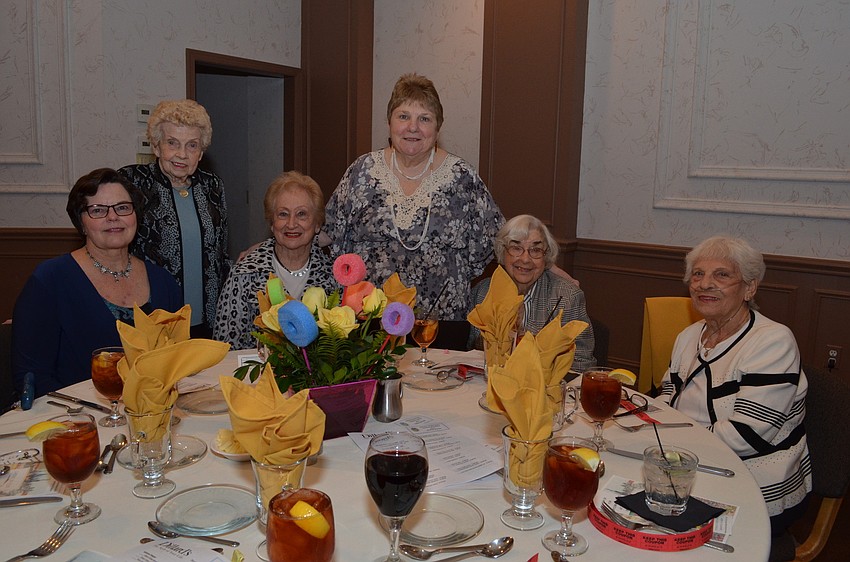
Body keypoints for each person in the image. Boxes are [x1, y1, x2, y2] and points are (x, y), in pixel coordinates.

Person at [658, 235, 811, 536]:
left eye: (722, 275)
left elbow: (747, 434)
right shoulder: (689, 336)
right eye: (698, 274)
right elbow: (668, 395)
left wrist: (669, 446)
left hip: (753, 482)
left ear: (749, 288)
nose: (704, 284)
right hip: (686, 467)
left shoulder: (773, 342)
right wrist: (650, 426)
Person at [323, 73, 504, 320]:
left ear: (438, 127)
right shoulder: (361, 171)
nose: (413, 127)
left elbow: (501, 239)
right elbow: (328, 233)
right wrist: (270, 247)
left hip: (441, 324)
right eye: (404, 116)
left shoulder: (462, 177)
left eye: (424, 119)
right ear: (389, 121)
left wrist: (549, 265)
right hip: (369, 324)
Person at [12, 168, 183, 397]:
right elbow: (31, 375)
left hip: (152, 414)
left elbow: (177, 362)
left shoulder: (163, 282)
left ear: (135, 216)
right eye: (98, 210)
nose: (113, 217)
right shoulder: (50, 281)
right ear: (81, 222)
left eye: (123, 208)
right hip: (78, 418)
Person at [119, 99, 228, 338]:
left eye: (192, 145)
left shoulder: (212, 186)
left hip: (206, 317)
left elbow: (220, 252)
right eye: (172, 143)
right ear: (156, 146)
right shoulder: (131, 182)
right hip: (152, 316)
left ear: (201, 152)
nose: (182, 154)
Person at [215, 171, 338, 350]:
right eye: (283, 214)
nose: (291, 224)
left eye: (302, 214)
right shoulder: (245, 273)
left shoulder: (332, 278)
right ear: (272, 223)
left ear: (317, 223)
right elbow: (224, 348)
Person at [468, 215, 596, 372]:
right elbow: (472, 353)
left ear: (546, 256)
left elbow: (581, 364)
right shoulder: (483, 292)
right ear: (503, 252)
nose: (525, 259)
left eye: (535, 250)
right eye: (516, 248)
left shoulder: (567, 297)